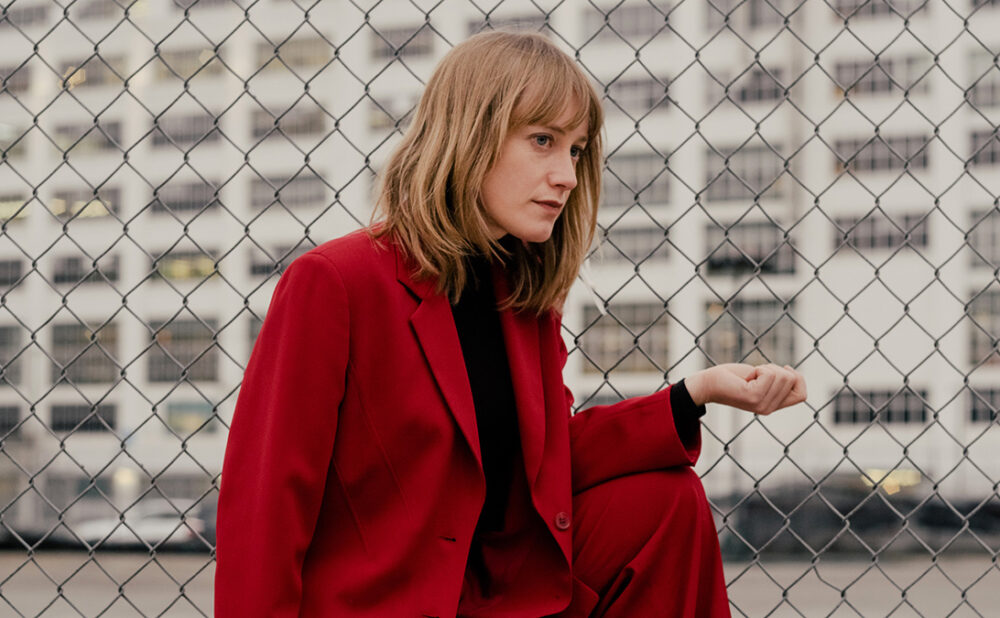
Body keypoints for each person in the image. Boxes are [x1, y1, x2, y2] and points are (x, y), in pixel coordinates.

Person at [214, 31, 807, 617]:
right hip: (385, 601)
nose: (568, 177)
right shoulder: (336, 282)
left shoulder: (522, 300)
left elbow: (543, 461)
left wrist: (692, 396)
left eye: (575, 150)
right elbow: (266, 503)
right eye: (543, 141)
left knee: (668, 498)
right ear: (470, 136)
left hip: (499, 590)